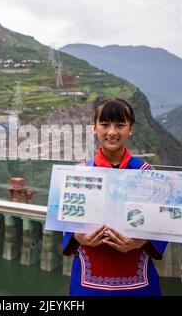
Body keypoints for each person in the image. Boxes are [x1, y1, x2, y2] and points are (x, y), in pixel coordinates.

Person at [62, 97, 167, 296]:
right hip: (88, 284)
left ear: (130, 129)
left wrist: (142, 241)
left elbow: (163, 225)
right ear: (94, 127)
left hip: (138, 285)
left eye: (120, 125)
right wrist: (77, 236)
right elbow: (66, 222)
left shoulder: (148, 173)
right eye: (104, 124)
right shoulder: (79, 173)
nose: (112, 132)